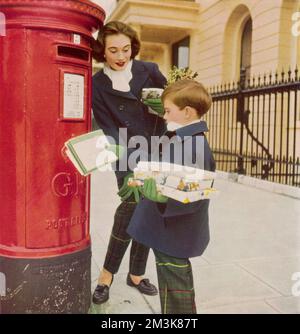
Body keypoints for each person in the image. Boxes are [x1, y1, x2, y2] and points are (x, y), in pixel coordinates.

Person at [91, 21, 167, 304]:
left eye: (125, 49)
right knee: (130, 207)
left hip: (157, 149)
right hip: (126, 154)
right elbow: (108, 127)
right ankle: (106, 275)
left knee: (152, 210)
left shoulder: (150, 70)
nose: (121, 56)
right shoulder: (97, 85)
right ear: (103, 51)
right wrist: (127, 161)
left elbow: (170, 104)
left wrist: (162, 108)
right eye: (113, 50)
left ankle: (135, 274)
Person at [127, 79, 216, 314]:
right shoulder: (185, 138)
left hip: (173, 233)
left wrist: (149, 186)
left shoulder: (194, 145)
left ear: (187, 112)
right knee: (171, 289)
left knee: (177, 294)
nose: (164, 117)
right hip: (169, 231)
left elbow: (188, 195)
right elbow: (169, 171)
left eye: (167, 111)